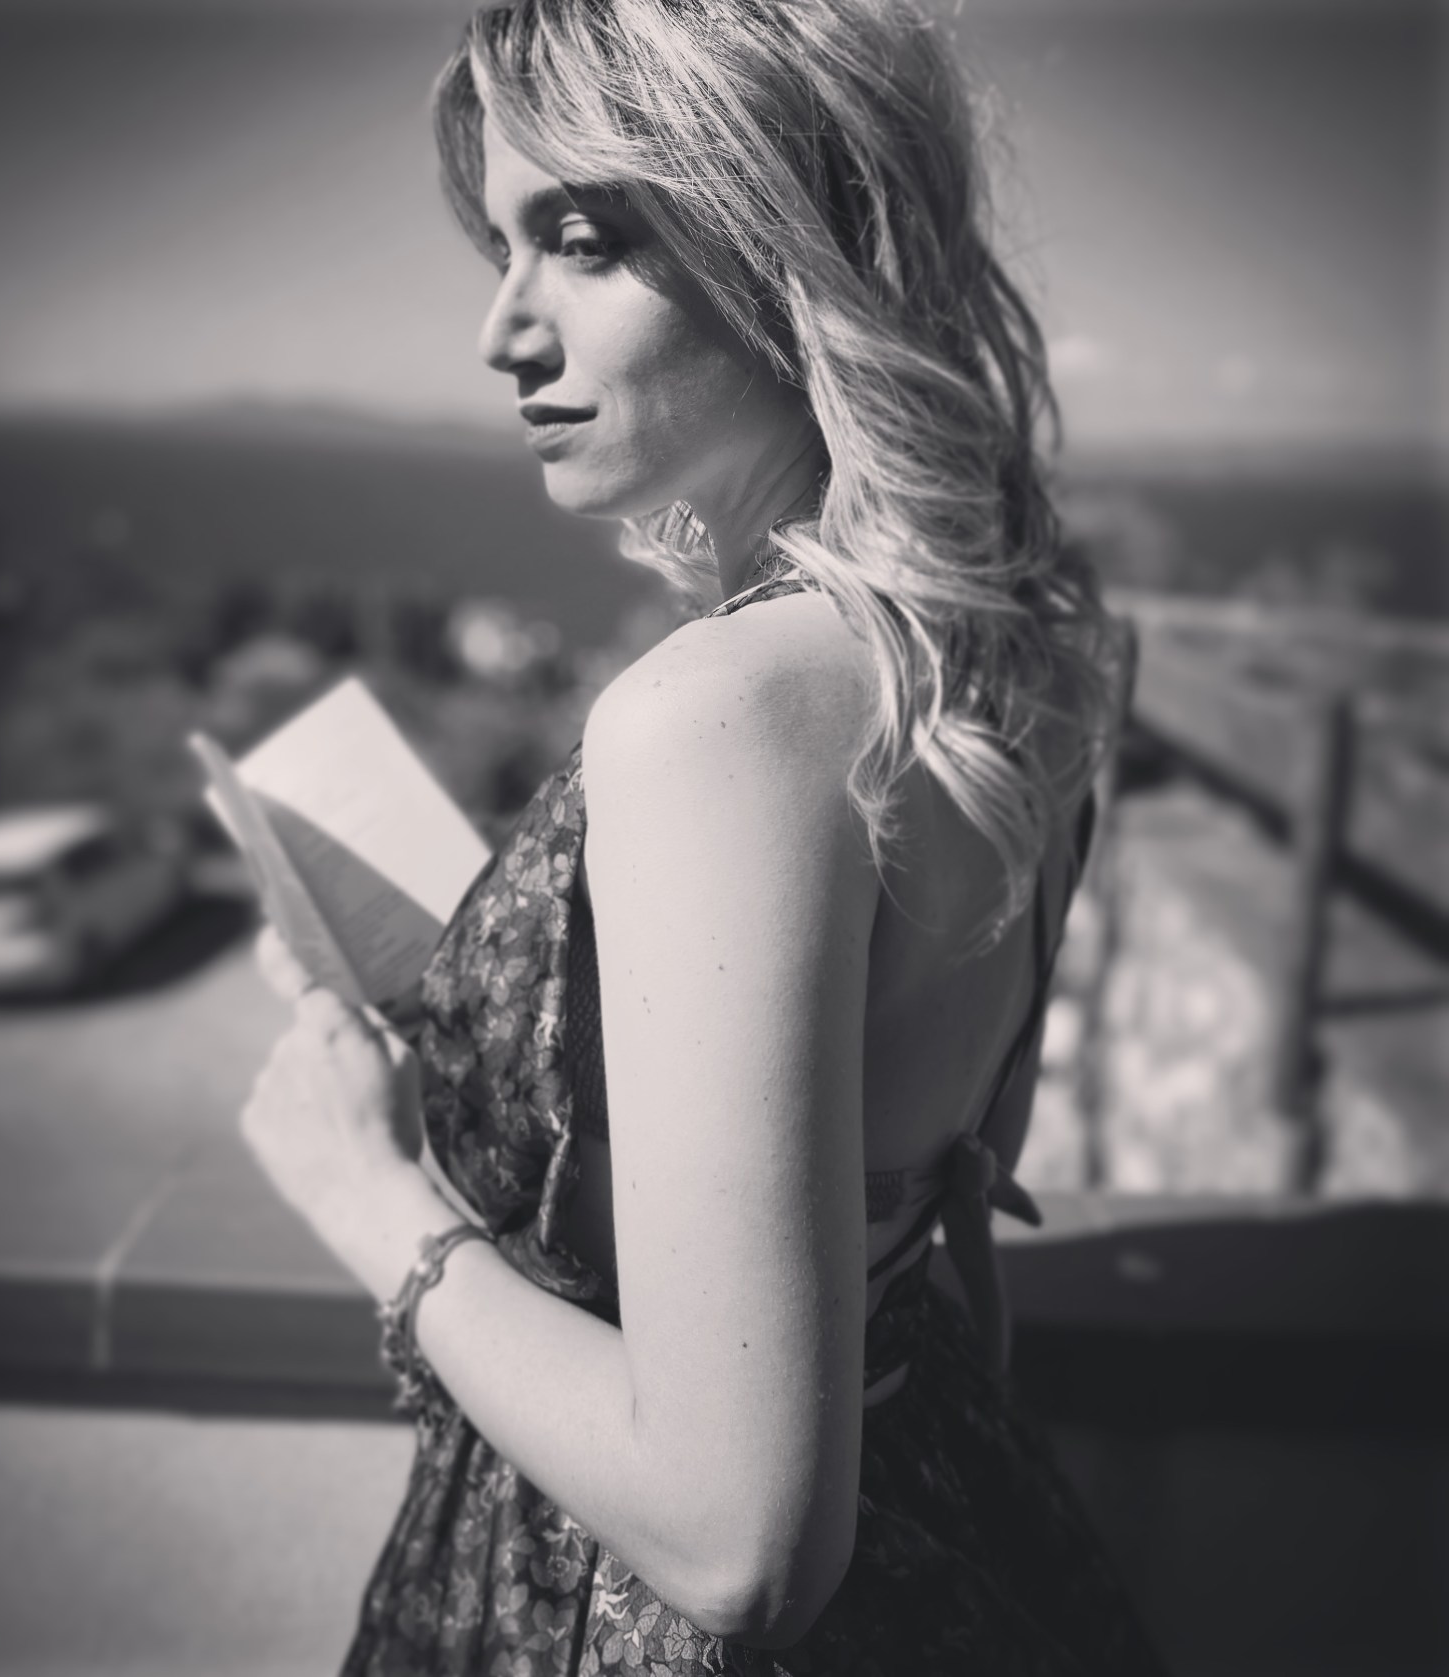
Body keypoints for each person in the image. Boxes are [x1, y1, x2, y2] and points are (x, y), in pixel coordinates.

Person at [240, 0, 1168, 1671]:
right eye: (504, 247)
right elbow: (928, 1175)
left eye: (583, 242)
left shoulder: (713, 716)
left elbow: (742, 1542)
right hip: (958, 1502)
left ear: (781, 242)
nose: (501, 328)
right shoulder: (1024, 648)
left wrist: (363, 1190)